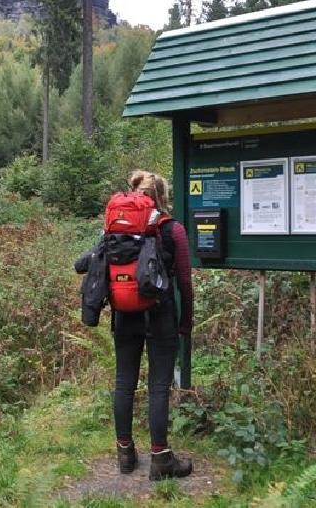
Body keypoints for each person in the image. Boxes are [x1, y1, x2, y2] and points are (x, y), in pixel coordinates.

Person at [113, 170, 194, 480]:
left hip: (124, 315)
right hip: (161, 315)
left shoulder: (116, 231)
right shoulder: (173, 230)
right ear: (163, 196)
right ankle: (161, 460)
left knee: (124, 382)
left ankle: (125, 454)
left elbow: (89, 263)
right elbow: (185, 282)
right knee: (158, 386)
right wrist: (185, 322)